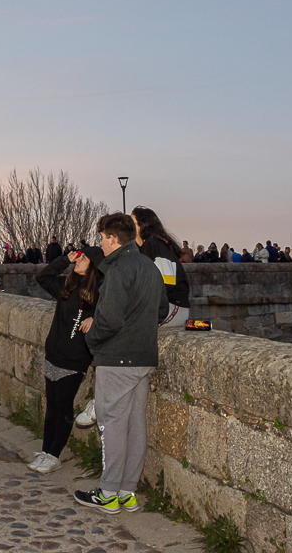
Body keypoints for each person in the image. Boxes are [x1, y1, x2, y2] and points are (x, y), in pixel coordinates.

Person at [75, 213, 168, 514]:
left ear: (113, 239)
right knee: (134, 424)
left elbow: (110, 318)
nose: (100, 244)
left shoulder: (118, 269)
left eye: (102, 238)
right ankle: (128, 492)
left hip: (117, 358)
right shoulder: (149, 267)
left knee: (111, 423)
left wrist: (93, 341)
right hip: (143, 356)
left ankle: (108, 492)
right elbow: (162, 309)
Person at [30, 246, 100, 474]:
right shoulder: (66, 286)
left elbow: (118, 309)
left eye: (84, 258)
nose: (79, 259)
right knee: (52, 406)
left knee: (63, 406)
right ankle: (46, 450)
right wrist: (63, 260)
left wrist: (95, 318)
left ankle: (55, 454)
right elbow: (43, 277)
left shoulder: (100, 291)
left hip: (75, 359)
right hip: (55, 354)